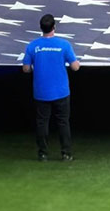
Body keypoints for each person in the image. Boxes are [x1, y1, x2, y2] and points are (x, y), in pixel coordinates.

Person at [22, 13, 81, 162]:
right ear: (54, 27)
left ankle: (43, 153)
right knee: (63, 122)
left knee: (42, 122)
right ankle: (66, 153)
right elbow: (75, 67)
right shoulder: (64, 45)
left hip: (41, 91)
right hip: (61, 91)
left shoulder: (33, 46)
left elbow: (25, 69)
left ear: (41, 28)